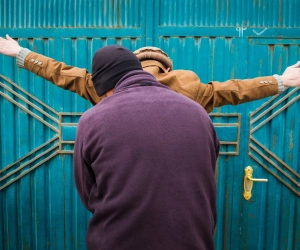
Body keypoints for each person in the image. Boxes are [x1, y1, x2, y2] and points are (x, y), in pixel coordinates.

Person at [73, 45, 220, 249]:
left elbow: (89, 194)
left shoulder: (93, 119)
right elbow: (206, 178)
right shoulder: (199, 114)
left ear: (106, 85)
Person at [1, 34, 300, 113]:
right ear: (167, 67)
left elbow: (60, 71)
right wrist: (280, 81)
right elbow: (235, 89)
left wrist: (20, 53)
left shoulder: (104, 82)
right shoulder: (189, 85)